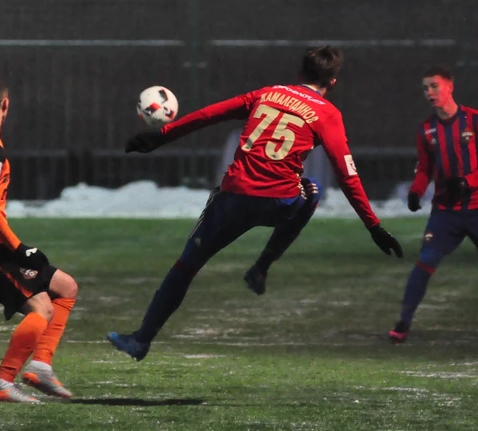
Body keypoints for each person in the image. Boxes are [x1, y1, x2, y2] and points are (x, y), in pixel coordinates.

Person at [107, 46, 403, 361]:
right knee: (312, 191)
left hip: (233, 198)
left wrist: (161, 136)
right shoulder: (327, 114)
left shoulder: (267, 94)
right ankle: (261, 268)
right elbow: (347, 174)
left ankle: (141, 340)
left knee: (186, 266)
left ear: (299, 74)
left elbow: (210, 114)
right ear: (332, 83)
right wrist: (373, 226)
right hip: (280, 202)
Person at [0, 75, 79, 402]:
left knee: (66, 288)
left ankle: (40, 366)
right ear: (5, 104)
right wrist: (20, 249)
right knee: (41, 308)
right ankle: (3, 382)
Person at [388, 66, 478, 343]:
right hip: (446, 210)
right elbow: (425, 167)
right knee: (425, 261)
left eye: (434, 86)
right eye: (425, 88)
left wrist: (469, 181)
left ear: (450, 86)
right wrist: (416, 192)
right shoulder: (426, 129)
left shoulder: (476, 119)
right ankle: (403, 324)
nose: (429, 92)